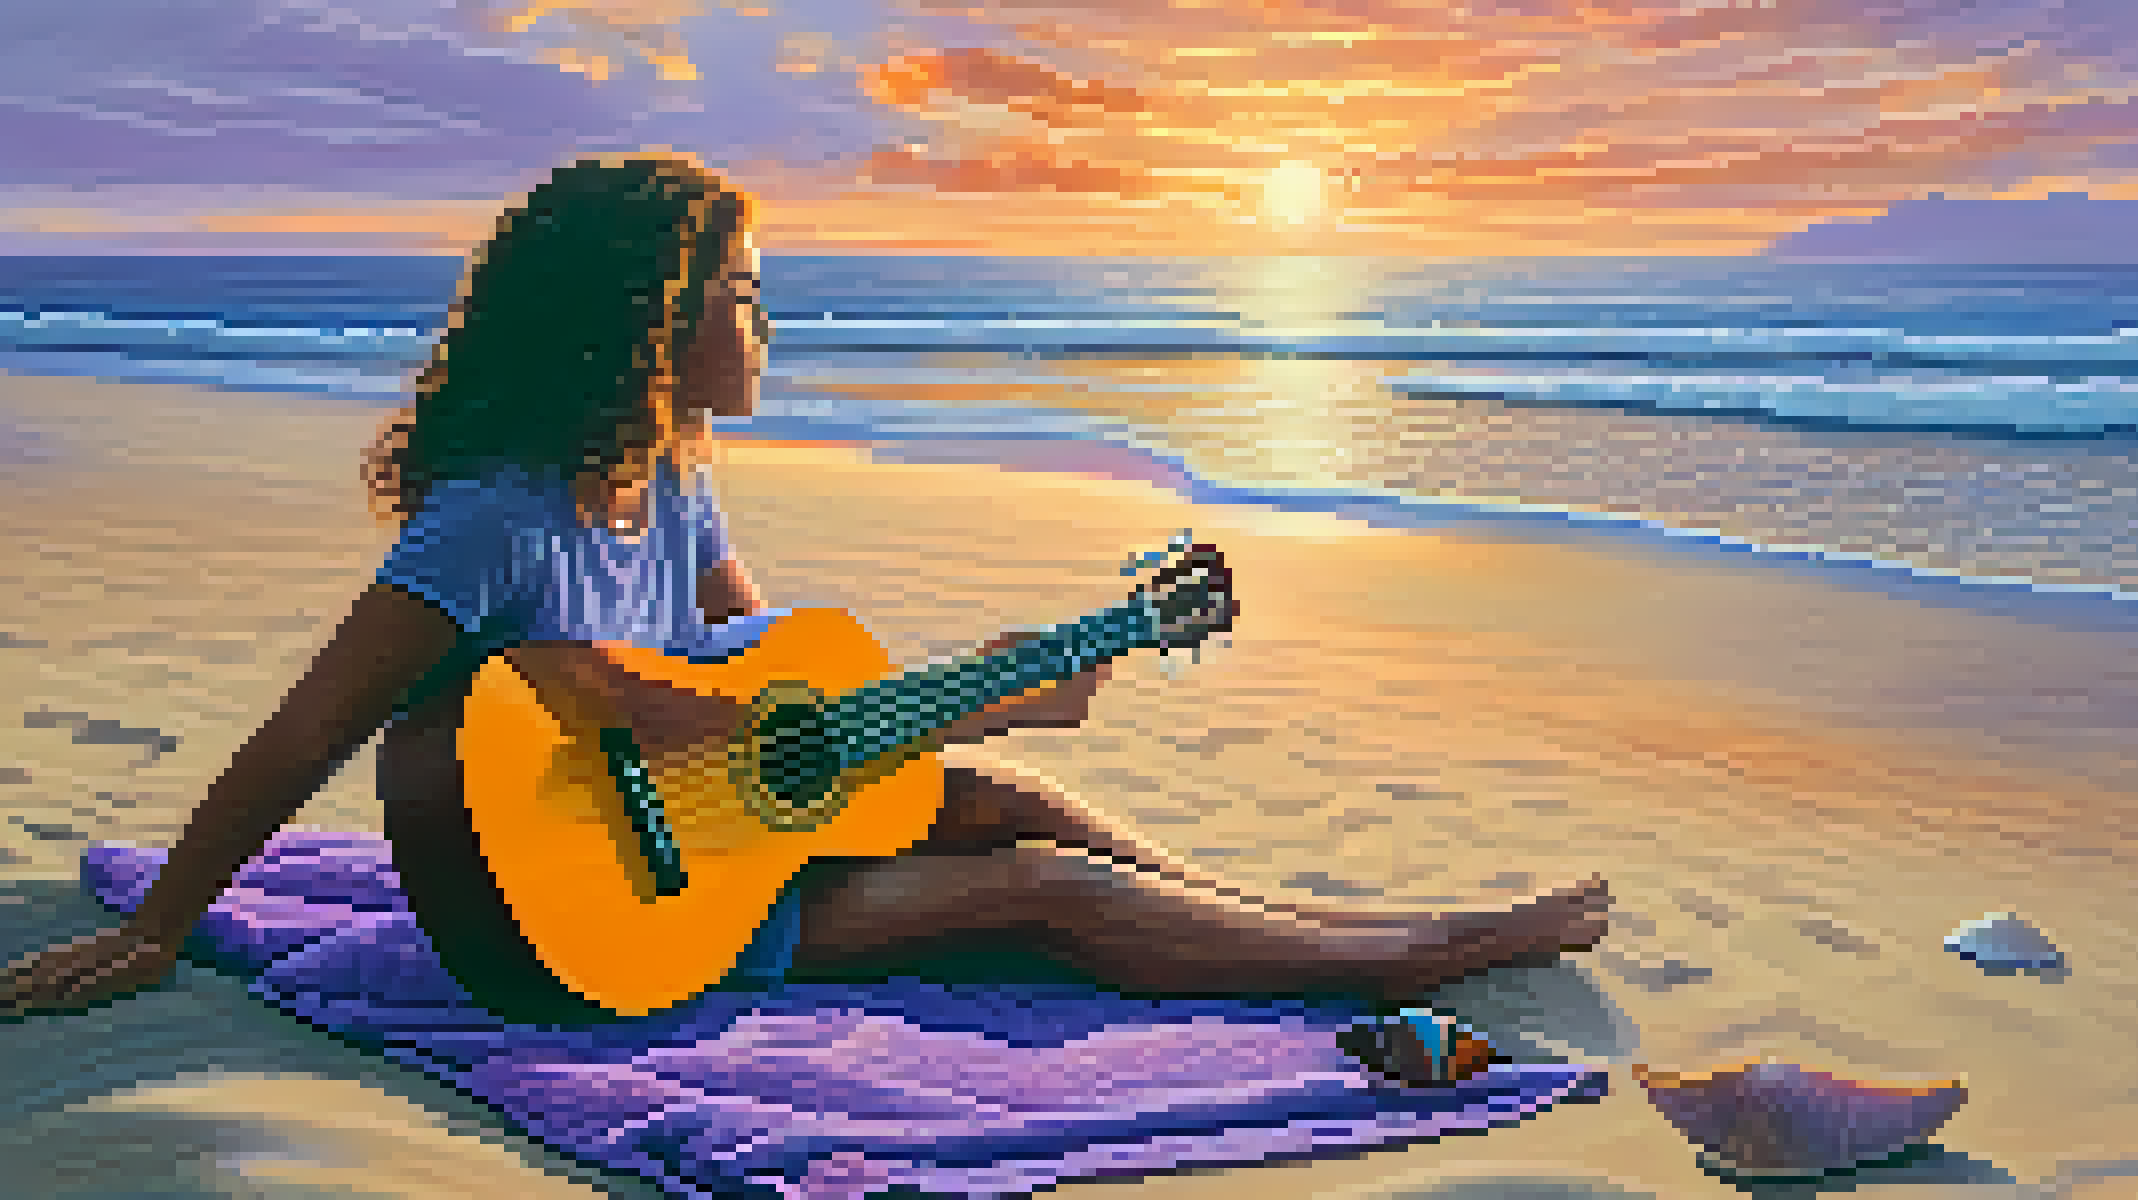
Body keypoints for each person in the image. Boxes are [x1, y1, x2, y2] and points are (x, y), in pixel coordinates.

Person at [0, 153, 1606, 1020]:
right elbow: (303, 734)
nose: (774, 330)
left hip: (713, 842)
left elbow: (767, 689)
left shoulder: (681, 477)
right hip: (602, 928)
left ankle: (1309, 926)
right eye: (751, 300)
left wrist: (993, 678)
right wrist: (167, 925)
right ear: (651, 319)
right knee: (1044, 891)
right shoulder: (492, 521)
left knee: (998, 786)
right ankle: (1404, 956)